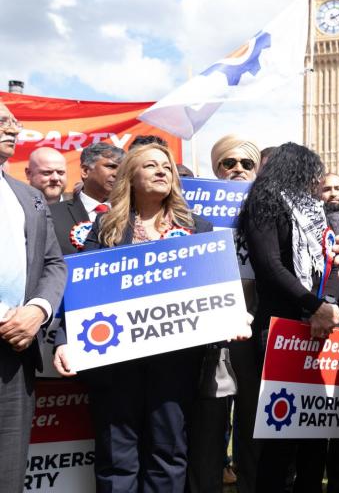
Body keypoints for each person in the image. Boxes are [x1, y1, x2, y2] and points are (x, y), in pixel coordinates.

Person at [52, 143, 213, 492]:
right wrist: (63, 340)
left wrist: (230, 321)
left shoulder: (199, 228)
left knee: (168, 453)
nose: (161, 172)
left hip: (175, 364)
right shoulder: (105, 227)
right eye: (151, 166)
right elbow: (82, 291)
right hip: (115, 364)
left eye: (166, 168)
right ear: (130, 178)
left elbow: (214, 289)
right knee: (116, 457)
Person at [238, 142, 339, 493]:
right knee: (283, 434)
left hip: (322, 325)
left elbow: (338, 261)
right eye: (312, 171)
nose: (317, 179)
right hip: (281, 326)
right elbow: (270, 266)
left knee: (316, 428)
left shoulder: (317, 212)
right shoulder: (264, 203)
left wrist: (329, 304)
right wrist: (313, 305)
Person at [188, 134, 262, 493]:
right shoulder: (192, 211)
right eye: (228, 163)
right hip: (207, 329)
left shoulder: (267, 208)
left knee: (252, 417)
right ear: (215, 168)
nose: (237, 169)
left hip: (256, 326)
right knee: (209, 418)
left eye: (246, 164)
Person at [0, 101, 67, 492]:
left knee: (8, 472)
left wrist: (36, 311)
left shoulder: (30, 197)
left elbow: (54, 264)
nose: (13, 129)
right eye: (2, 121)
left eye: (14, 122)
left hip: (15, 354)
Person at [50, 142, 124, 255]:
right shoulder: (52, 214)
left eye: (123, 169)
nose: (118, 174)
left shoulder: (133, 215)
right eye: (111, 166)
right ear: (85, 171)